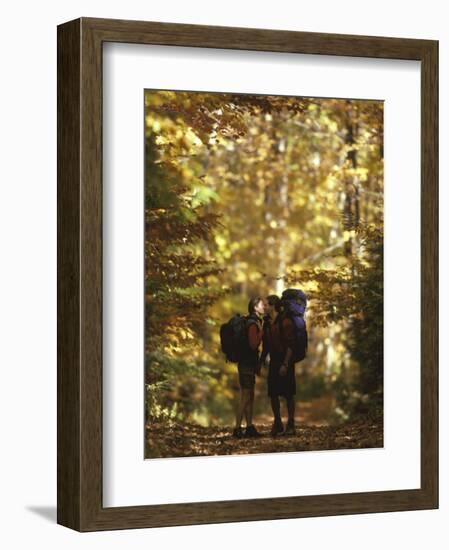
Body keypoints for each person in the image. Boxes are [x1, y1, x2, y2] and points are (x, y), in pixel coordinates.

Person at [260, 294, 297, 436]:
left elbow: (290, 345)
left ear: (274, 306)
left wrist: (286, 364)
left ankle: (291, 424)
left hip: (286, 359)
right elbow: (266, 345)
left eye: (267, 305)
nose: (264, 307)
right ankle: (278, 423)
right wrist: (261, 361)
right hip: (274, 360)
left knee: (288, 393)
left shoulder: (286, 322)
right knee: (273, 393)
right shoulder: (267, 323)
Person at [233, 296, 265, 438]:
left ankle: (249, 427)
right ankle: (237, 428)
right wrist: (261, 333)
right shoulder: (252, 324)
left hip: (248, 364)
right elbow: (253, 344)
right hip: (246, 364)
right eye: (261, 305)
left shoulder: (254, 321)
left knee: (250, 395)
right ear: (255, 308)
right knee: (245, 396)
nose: (264, 306)